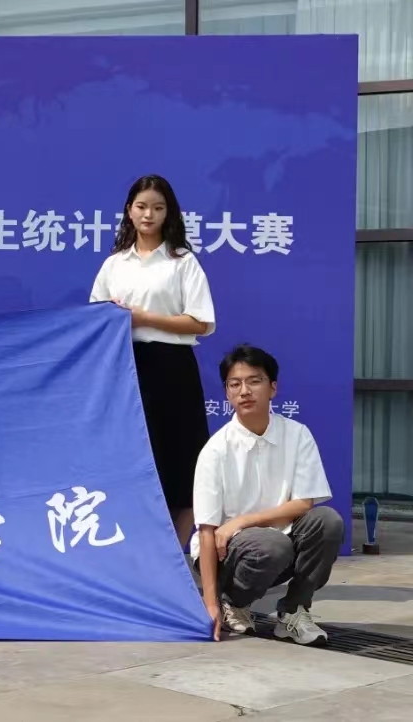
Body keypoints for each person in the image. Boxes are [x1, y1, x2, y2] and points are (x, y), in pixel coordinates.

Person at [90, 174, 215, 548]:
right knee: (137, 462)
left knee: (184, 464)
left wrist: (144, 318)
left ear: (168, 213)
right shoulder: (114, 265)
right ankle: (141, 555)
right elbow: (94, 320)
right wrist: (112, 316)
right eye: (142, 207)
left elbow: (202, 322)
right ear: (129, 210)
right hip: (126, 369)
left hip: (173, 368)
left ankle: (174, 554)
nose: (149, 215)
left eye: (158, 208)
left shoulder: (182, 262)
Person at [192, 345, 343, 645]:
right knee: (272, 545)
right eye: (235, 384)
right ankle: (232, 602)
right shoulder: (215, 450)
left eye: (254, 381)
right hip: (228, 556)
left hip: (275, 542)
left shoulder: (297, 434)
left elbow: (304, 503)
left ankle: (293, 612)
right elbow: (207, 531)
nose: (244, 391)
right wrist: (210, 604)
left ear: (273, 387)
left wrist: (242, 521)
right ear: (227, 393)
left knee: (328, 522)